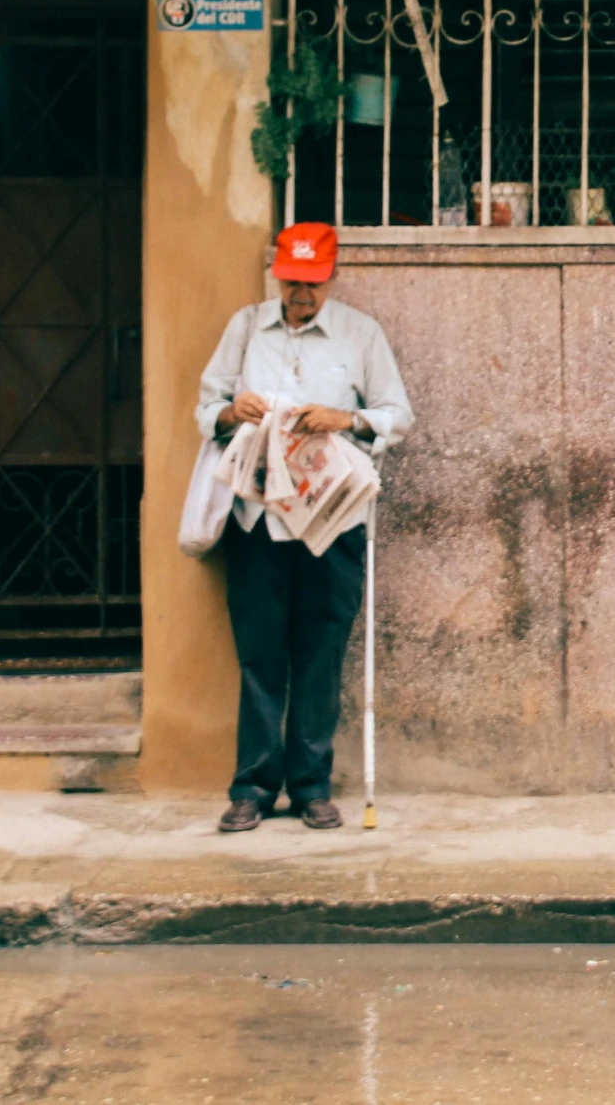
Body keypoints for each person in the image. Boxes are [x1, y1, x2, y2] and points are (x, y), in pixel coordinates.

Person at [196, 222, 413, 833]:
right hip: (258, 517)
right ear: (277, 274)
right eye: (292, 283)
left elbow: (399, 414)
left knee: (321, 652)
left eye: (313, 284)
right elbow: (205, 404)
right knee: (260, 653)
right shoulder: (245, 328)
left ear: (330, 276)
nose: (302, 296)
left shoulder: (360, 334)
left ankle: (312, 785)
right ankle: (254, 788)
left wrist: (347, 417)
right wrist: (227, 412)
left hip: (333, 520)